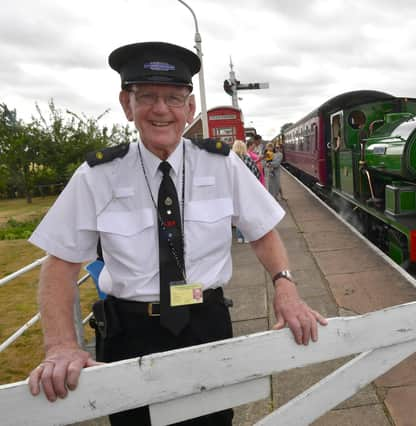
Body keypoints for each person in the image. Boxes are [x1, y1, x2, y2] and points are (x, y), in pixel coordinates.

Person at [26, 41, 327, 426]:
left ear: (189, 109)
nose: (160, 109)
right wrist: (61, 346)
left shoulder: (222, 165)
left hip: (206, 323)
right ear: (126, 104)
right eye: (146, 96)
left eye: (173, 97)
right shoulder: (97, 176)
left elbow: (263, 233)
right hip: (129, 334)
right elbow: (60, 265)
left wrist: (286, 287)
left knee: (214, 422)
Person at [231, 139, 260, 243]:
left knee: (238, 214)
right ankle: (247, 237)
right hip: (247, 191)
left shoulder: (229, 160)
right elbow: (256, 173)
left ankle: (239, 237)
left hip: (235, 191)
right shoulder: (248, 159)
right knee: (248, 214)